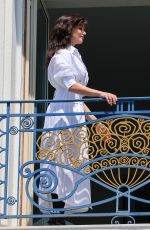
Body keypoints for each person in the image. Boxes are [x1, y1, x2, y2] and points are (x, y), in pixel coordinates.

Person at [39, 15, 117, 217]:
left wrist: (96, 123)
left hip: (74, 113)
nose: (84, 32)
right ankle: (55, 213)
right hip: (61, 114)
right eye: (79, 28)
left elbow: (78, 97)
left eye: (83, 29)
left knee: (74, 160)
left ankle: (64, 211)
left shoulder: (75, 55)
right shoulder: (60, 56)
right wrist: (100, 93)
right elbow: (71, 87)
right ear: (68, 30)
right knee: (59, 159)